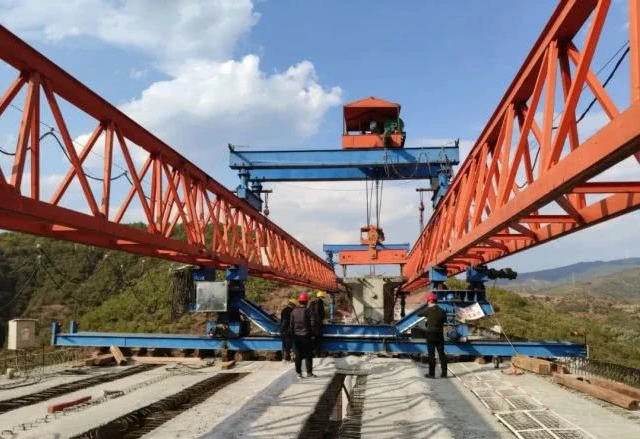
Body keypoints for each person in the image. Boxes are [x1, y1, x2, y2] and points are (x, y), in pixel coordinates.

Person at [418, 292, 448, 378]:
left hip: (430, 335)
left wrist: (427, 309)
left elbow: (418, 314)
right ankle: (444, 373)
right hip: (440, 335)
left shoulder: (428, 310)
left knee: (431, 355)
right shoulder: (442, 311)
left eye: (428, 301)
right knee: (442, 354)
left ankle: (432, 374)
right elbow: (445, 321)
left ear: (430, 301)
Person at [288, 292, 315, 378]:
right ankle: (309, 373)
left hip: (297, 337)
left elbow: (291, 325)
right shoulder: (308, 311)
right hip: (306, 336)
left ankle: (298, 373)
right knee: (308, 355)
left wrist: (292, 336)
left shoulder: (293, 311)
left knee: (298, 355)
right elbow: (312, 324)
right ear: (306, 302)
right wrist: (313, 335)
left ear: (299, 301)